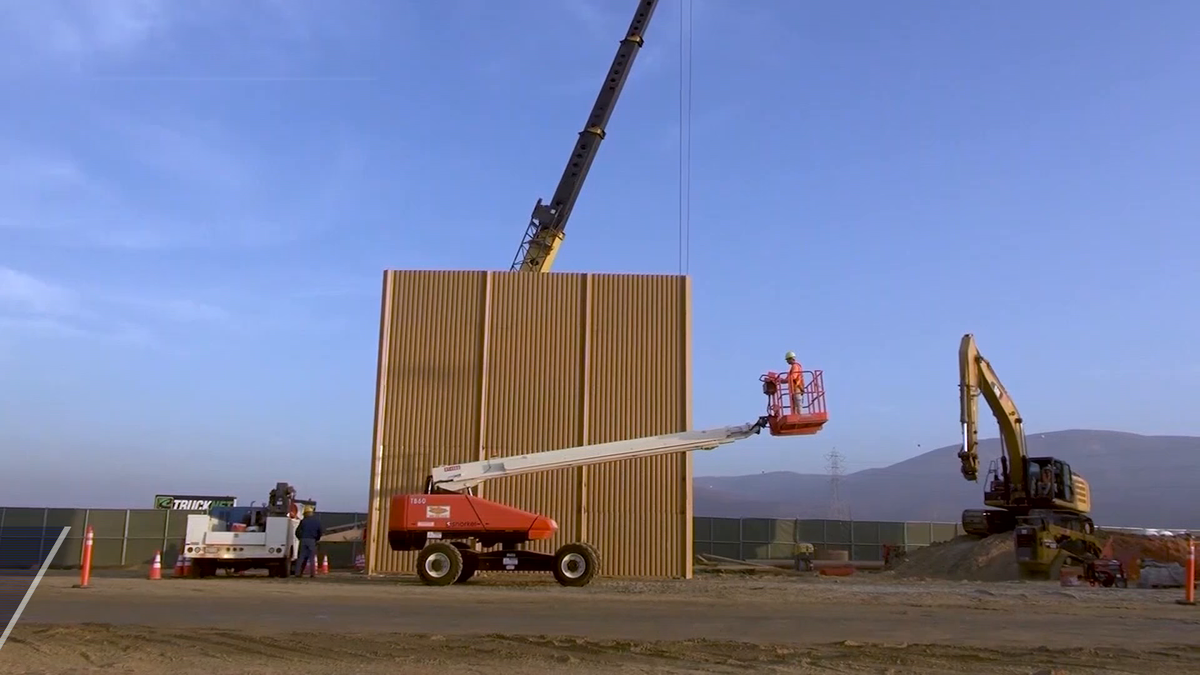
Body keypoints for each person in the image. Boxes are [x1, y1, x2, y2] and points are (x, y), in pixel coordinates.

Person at [294, 505, 323, 578]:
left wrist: (300, 538)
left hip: (303, 540)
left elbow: (297, 532)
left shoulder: (303, 521)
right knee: (312, 558)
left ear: (305, 513)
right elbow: (320, 532)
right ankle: (312, 574)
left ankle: (298, 573)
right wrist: (317, 539)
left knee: (301, 557)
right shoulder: (317, 522)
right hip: (312, 541)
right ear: (311, 513)